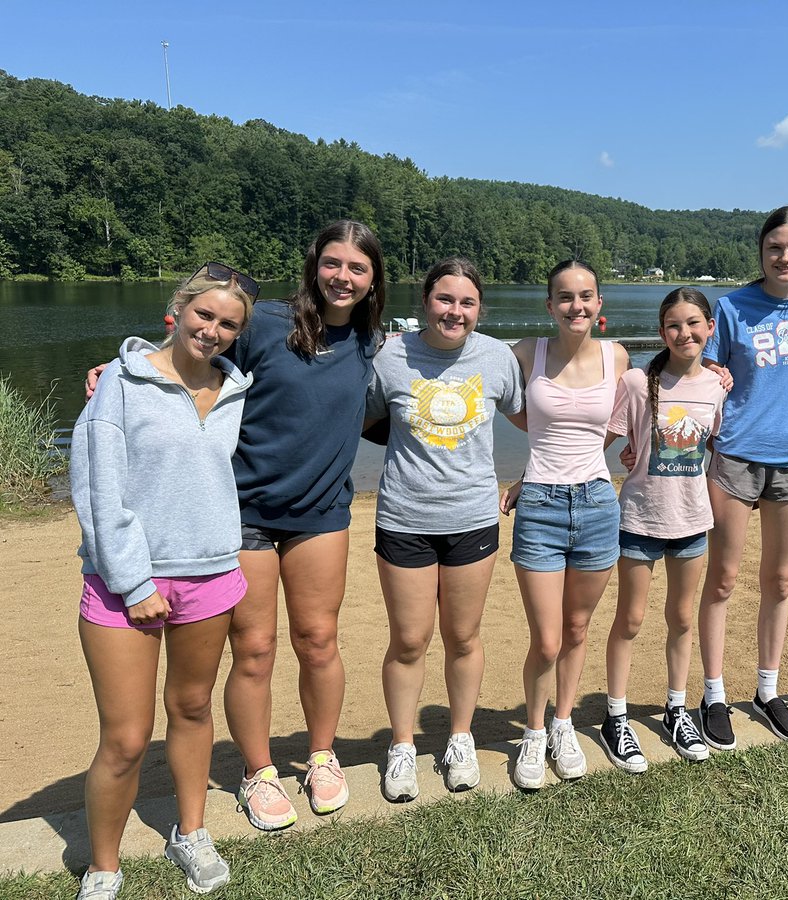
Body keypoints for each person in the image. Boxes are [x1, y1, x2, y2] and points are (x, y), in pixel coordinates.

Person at [90, 222, 388, 828]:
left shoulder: (370, 340)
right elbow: (192, 353)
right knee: (253, 649)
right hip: (243, 512)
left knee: (319, 641)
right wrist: (117, 372)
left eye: (358, 268)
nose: (343, 277)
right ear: (314, 265)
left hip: (323, 512)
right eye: (333, 263)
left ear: (373, 279)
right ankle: (258, 771)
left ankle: (322, 757)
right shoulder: (266, 324)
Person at [71, 265, 255, 899]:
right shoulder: (121, 383)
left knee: (193, 708)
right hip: (124, 585)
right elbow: (99, 490)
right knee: (124, 737)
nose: (214, 330)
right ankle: (103, 865)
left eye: (229, 323)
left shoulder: (235, 388)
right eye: (204, 314)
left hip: (211, 575)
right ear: (177, 310)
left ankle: (191, 831)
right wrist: (133, 580)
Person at [363, 258, 523, 801]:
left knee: (463, 637)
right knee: (409, 640)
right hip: (404, 517)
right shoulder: (390, 356)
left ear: (480, 308)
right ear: (425, 302)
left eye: (467, 302)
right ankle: (402, 746)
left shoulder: (498, 358)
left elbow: (542, 414)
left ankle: (459, 737)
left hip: (472, 518)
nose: (455, 311)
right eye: (444, 300)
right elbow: (357, 418)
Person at [696, 205, 788, 750]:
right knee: (723, 580)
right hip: (733, 456)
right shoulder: (730, 308)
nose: (785, 257)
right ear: (761, 251)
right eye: (775, 247)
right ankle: (713, 694)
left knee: (779, 581)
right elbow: (703, 369)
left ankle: (767, 689)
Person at [500, 260, 630, 790]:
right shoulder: (526, 353)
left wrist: (715, 366)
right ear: (549, 305)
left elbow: (647, 396)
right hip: (539, 508)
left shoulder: (616, 355)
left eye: (586, 296)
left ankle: (562, 723)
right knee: (547, 638)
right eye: (565, 297)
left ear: (599, 304)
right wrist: (529, 469)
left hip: (598, 504)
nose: (577, 305)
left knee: (577, 629)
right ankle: (533, 732)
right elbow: (494, 393)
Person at [600, 288, 725, 772]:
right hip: (639, 517)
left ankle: (677, 708)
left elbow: (713, 444)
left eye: (694, 323)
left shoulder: (717, 385)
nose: (685, 333)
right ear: (661, 332)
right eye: (674, 325)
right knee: (629, 620)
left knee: (682, 620)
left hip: (693, 520)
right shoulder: (634, 382)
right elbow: (606, 441)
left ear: (710, 329)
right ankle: (617, 715)